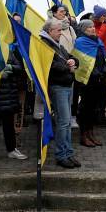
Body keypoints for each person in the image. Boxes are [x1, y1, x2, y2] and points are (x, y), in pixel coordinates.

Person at [39, 18, 80, 169]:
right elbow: (50, 65)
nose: (61, 33)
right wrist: (67, 65)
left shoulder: (57, 45)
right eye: (58, 30)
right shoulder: (45, 45)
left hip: (67, 85)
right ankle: (61, 154)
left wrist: (74, 62)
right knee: (63, 122)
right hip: (58, 87)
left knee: (67, 121)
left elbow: (72, 57)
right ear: (50, 31)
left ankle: (68, 152)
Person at [72, 19, 106, 148]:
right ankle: (84, 135)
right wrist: (94, 72)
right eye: (89, 28)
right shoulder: (80, 42)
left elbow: (102, 58)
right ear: (83, 30)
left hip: (99, 79)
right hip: (87, 80)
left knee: (94, 108)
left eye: (93, 26)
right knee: (85, 108)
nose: (93, 29)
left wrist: (104, 70)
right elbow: (81, 62)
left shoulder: (97, 41)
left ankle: (91, 133)